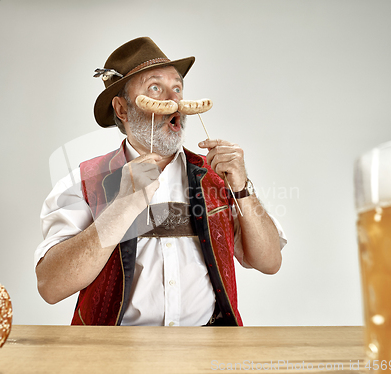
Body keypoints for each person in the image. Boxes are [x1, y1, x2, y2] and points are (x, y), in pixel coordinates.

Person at [35, 37, 287, 326]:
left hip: (207, 354)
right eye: (156, 88)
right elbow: (51, 287)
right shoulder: (84, 180)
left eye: (177, 88)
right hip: (111, 357)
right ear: (122, 109)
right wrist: (121, 209)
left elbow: (269, 262)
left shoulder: (217, 175)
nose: (173, 100)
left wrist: (242, 189)